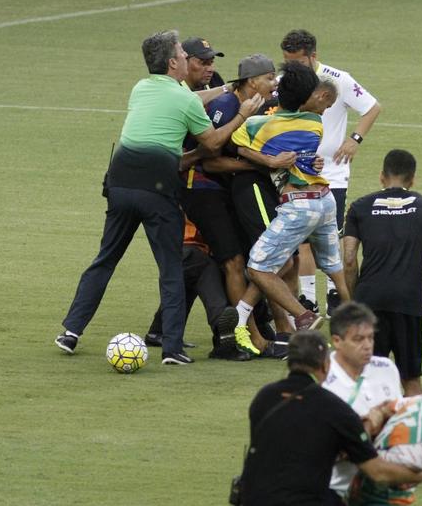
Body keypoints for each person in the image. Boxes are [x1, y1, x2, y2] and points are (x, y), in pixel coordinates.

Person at [54, 30, 262, 365]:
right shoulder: (184, 101)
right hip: (158, 190)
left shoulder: (141, 88)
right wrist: (242, 114)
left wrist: (227, 89)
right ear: (173, 63)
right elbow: (210, 143)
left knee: (105, 259)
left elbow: (193, 99)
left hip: (120, 183)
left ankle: (71, 332)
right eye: (182, 53)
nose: (184, 56)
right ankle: (172, 349)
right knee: (170, 268)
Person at [231, 64, 350, 353]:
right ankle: (355, 318)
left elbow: (237, 143)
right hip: (326, 201)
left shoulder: (260, 125)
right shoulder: (314, 123)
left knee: (257, 267)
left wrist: (268, 160)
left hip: (299, 206)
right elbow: (305, 155)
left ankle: (302, 315)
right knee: (334, 268)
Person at [183, 54, 292, 358]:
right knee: (232, 261)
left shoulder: (258, 105)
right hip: (202, 189)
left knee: (247, 258)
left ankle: (260, 326)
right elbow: (210, 159)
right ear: (251, 81)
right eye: (270, 78)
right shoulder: (227, 106)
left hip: (223, 191)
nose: (274, 84)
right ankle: (250, 336)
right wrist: (258, 166)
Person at [239, 330, 422, 506]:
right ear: (326, 365)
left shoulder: (263, 398)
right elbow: (377, 472)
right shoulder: (334, 408)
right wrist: (415, 475)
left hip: (252, 496)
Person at [280, 29, 382, 316]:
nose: (292, 67)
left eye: (298, 61)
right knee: (302, 238)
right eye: (288, 60)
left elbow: (372, 107)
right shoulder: (285, 82)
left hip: (333, 173)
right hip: (295, 171)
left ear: (313, 56)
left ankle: (334, 294)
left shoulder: (338, 80)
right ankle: (308, 299)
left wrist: (354, 140)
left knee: (329, 236)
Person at [342, 149, 422, 396]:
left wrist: (354, 301)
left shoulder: (359, 207)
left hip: (368, 302)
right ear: (412, 179)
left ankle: (368, 433)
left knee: (366, 379)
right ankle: (417, 434)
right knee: (411, 381)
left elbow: (349, 260)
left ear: (382, 176)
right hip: (408, 302)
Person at [323, 301, 404, 501]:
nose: (367, 345)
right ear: (337, 341)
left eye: (370, 337)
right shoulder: (324, 383)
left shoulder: (386, 368)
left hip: (384, 487)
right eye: (358, 339)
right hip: (335, 491)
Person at [142, 218, 244, 360]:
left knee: (185, 285)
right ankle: (223, 337)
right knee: (208, 273)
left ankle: (158, 331)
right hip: (194, 247)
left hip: (174, 247)